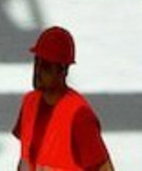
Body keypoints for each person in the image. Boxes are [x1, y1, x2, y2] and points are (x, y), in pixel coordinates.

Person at [13, 27, 109, 171]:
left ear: (62, 70)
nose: (37, 71)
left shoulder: (79, 116)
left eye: (45, 66)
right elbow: (25, 159)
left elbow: (104, 168)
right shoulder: (29, 103)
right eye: (36, 62)